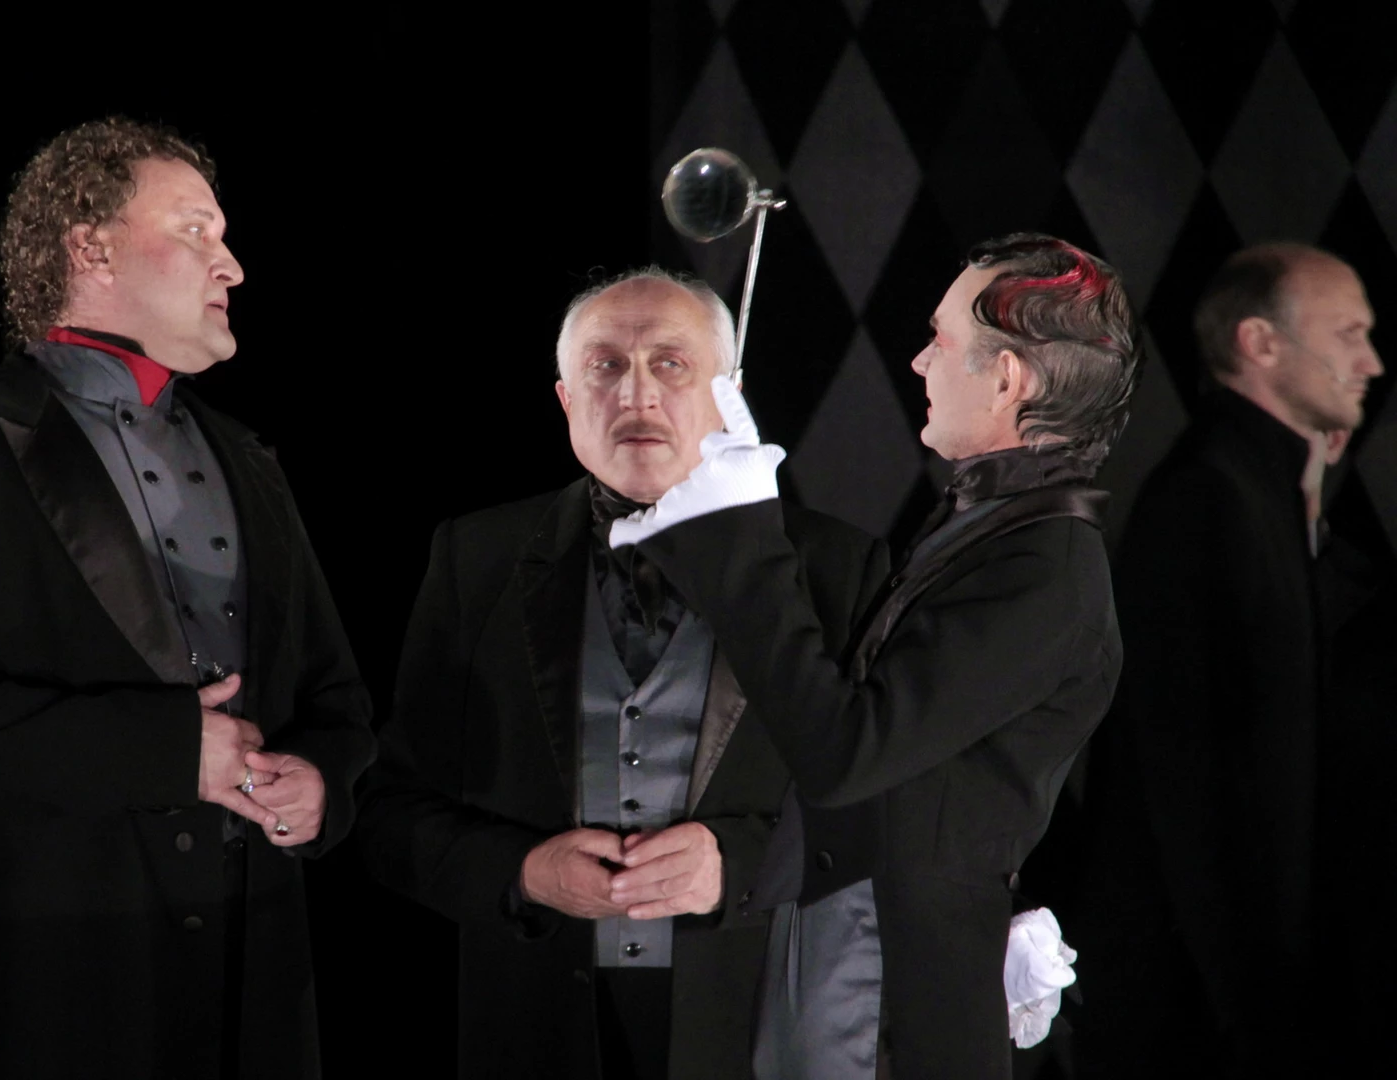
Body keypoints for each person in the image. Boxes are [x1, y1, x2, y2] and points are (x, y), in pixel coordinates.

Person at [0, 118, 375, 1079]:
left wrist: (320, 784)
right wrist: (169, 751)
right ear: (90, 249)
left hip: (262, 980)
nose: (232, 266)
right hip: (66, 983)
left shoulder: (252, 462)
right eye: (196, 231)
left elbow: (336, 700)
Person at [610, 234, 1142, 1079]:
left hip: (881, 1005)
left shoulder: (1044, 567)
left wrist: (741, 535)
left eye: (941, 340)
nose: (921, 361)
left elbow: (846, 754)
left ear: (1007, 380)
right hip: (851, 964)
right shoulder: (996, 531)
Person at [356, 268, 889, 1079]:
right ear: (566, 398)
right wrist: (524, 874)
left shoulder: (837, 567)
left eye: (670, 364)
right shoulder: (476, 557)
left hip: (751, 1028)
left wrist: (738, 865)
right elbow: (390, 814)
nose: (636, 394)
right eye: (605, 366)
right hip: (534, 1028)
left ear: (730, 396)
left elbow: (890, 814)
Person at [1071, 243, 1386, 1078]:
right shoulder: (1208, 497)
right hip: (1199, 1013)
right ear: (1260, 342)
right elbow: (1195, 788)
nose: (1371, 362)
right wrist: (1261, 1016)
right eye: (1348, 333)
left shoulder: (1254, 493)